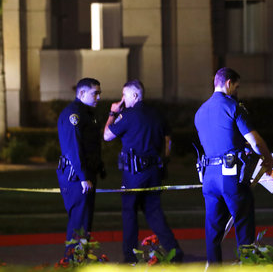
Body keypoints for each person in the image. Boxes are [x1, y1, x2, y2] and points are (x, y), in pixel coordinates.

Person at [194, 67, 273, 263]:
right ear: (228, 83)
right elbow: (255, 141)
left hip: (208, 176)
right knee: (243, 222)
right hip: (230, 175)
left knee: (213, 232)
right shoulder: (232, 107)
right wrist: (268, 158)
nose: (237, 92)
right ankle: (247, 265)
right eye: (236, 87)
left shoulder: (200, 112)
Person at [103, 80, 183, 263]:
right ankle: (174, 251)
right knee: (154, 212)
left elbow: (107, 135)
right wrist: (166, 160)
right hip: (154, 171)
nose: (122, 99)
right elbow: (168, 140)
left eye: (125, 95)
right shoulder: (156, 113)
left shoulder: (128, 115)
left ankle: (130, 257)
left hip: (133, 173)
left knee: (129, 212)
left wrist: (112, 113)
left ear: (135, 95)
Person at [57, 77, 105, 258]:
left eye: (99, 93)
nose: (98, 97)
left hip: (83, 175)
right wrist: (84, 176)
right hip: (76, 177)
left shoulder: (87, 114)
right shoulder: (74, 115)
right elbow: (73, 148)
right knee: (79, 223)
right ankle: (72, 263)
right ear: (82, 93)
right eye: (95, 93)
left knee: (84, 223)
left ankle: (80, 260)